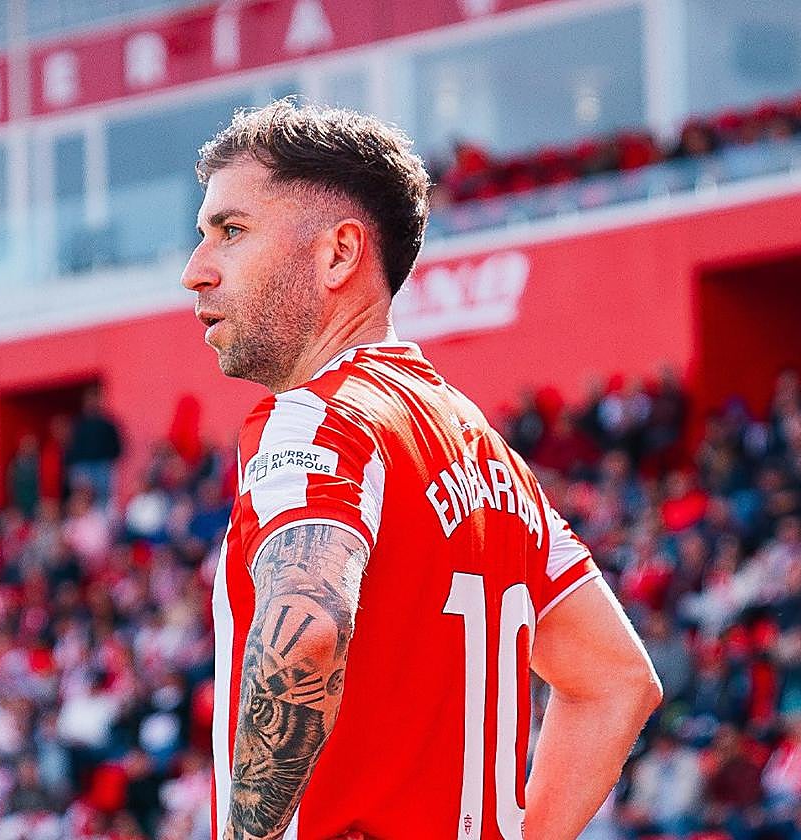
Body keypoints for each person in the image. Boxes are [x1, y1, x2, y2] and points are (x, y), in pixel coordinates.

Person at [180, 99, 661, 840]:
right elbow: (617, 682)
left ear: (339, 253)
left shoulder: (317, 418)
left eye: (231, 232)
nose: (196, 270)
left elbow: (307, 629)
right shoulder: (493, 458)